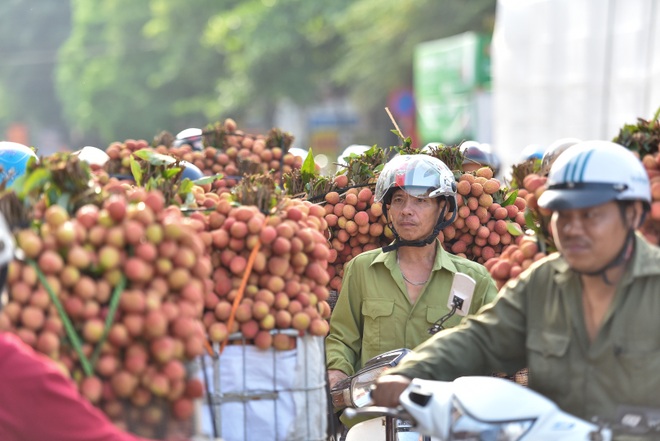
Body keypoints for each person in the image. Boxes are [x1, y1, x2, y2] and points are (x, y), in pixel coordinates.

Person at [371, 140, 659, 424]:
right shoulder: (543, 282)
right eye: (563, 214)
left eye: (590, 215)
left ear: (634, 214)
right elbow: (482, 338)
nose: (572, 228)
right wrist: (410, 371)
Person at [325, 154, 499, 391]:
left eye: (421, 201)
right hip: (374, 415)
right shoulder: (361, 269)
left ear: (443, 208)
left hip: (444, 419)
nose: (407, 210)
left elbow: (496, 345)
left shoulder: (474, 279)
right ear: (388, 209)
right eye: (398, 200)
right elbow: (343, 339)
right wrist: (337, 372)